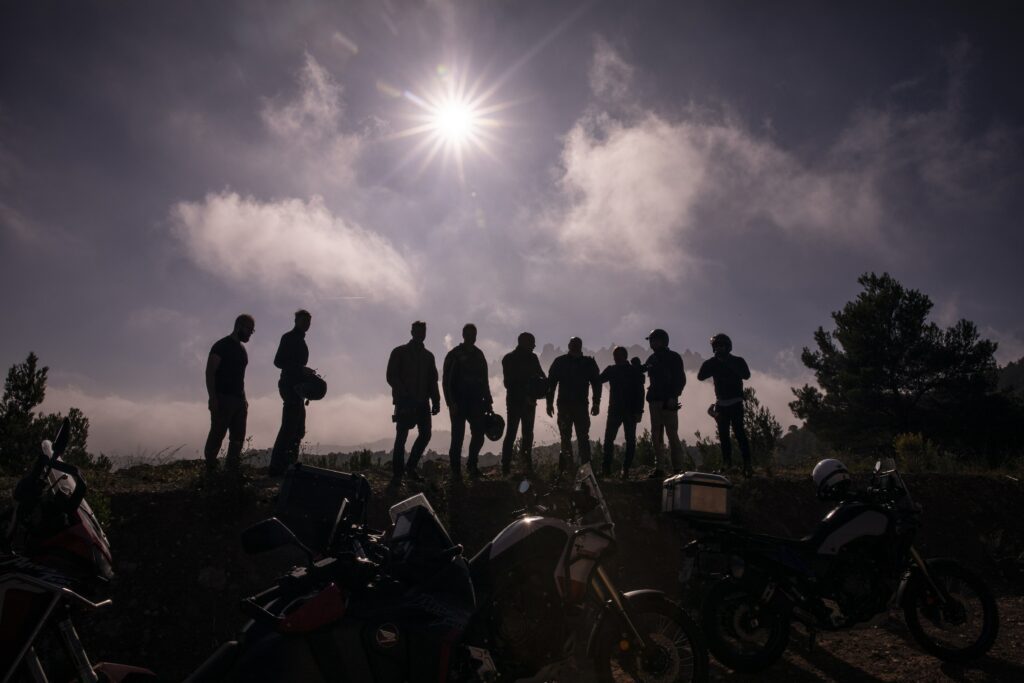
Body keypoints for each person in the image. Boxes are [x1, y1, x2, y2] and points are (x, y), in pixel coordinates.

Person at [386, 321, 441, 484]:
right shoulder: (399, 352)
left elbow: (433, 381)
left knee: (425, 434)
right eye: (418, 331)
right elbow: (391, 376)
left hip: (423, 402)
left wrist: (436, 400)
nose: (420, 334)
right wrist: (403, 394)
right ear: (412, 332)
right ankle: (398, 473)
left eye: (423, 331)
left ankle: (410, 468)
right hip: (405, 402)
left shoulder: (428, 356)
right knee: (401, 436)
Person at [203, 314, 254, 470]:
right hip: (222, 398)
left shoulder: (242, 350)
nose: (250, 334)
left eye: (252, 331)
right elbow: (210, 371)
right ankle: (210, 470)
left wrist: (244, 399)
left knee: (238, 438)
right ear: (239, 326)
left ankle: (231, 471)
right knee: (217, 435)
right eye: (249, 330)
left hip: (239, 399)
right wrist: (212, 397)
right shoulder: (221, 346)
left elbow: (240, 376)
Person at [698, 333, 753, 477]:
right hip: (721, 403)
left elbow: (746, 375)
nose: (718, 349)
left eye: (720, 346)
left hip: (735, 402)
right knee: (723, 436)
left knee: (740, 433)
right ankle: (727, 464)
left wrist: (729, 364)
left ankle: (747, 464)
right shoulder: (713, 362)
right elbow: (700, 376)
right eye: (715, 346)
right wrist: (711, 362)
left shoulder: (737, 360)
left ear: (728, 347)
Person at [443, 324, 492, 480]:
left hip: (476, 402)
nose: (472, 337)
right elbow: (446, 381)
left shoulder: (479, 355)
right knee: (457, 438)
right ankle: (455, 471)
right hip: (458, 402)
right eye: (469, 334)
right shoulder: (454, 355)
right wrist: (451, 403)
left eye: (474, 334)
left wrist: (488, 400)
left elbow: (485, 379)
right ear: (463, 335)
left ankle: (472, 466)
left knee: (479, 435)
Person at [547, 337, 601, 475]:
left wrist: (596, 402)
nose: (574, 346)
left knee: (582, 437)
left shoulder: (588, 363)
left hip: (580, 406)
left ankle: (586, 469)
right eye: (573, 343)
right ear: (569, 345)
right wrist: (549, 402)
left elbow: (596, 383)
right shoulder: (561, 362)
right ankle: (569, 469)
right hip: (565, 405)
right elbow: (551, 384)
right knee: (567, 437)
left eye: (576, 344)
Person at [268, 310, 312, 476]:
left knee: (298, 428)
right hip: (290, 386)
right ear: (296, 320)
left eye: (309, 322)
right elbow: (278, 361)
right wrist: (300, 369)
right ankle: (277, 468)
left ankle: (289, 466)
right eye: (304, 321)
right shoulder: (289, 337)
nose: (307, 324)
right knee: (289, 427)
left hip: (298, 388)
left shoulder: (300, 340)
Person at [644, 328, 689, 476]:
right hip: (654, 401)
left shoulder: (673, 357)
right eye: (651, 340)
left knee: (672, 435)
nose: (651, 343)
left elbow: (680, 379)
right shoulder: (651, 359)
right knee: (656, 436)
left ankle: (677, 468)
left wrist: (673, 397)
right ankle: (660, 468)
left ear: (663, 341)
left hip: (668, 402)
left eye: (654, 340)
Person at [501, 332, 546, 477]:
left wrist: (541, 387)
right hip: (517, 401)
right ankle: (508, 467)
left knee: (525, 435)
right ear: (523, 342)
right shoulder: (509, 359)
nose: (534, 345)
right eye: (532, 342)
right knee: (513, 434)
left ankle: (523, 467)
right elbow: (508, 383)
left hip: (527, 402)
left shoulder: (529, 358)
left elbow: (542, 376)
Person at [599, 347, 645, 479]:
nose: (614, 357)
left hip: (625, 411)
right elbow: (599, 379)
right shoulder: (614, 370)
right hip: (620, 410)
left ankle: (621, 470)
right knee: (614, 440)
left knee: (624, 440)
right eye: (614, 355)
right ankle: (611, 469)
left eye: (616, 355)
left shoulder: (627, 371)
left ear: (623, 356)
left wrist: (639, 411)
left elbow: (640, 392)